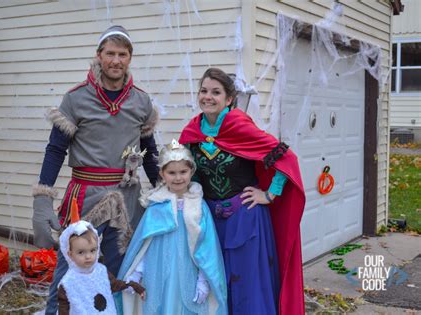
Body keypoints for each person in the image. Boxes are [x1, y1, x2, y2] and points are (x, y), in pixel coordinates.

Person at [31, 25, 159, 314]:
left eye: (122, 54)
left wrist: (163, 189)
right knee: (70, 268)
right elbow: (55, 150)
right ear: (99, 55)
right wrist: (42, 198)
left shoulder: (141, 101)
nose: (116, 60)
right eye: (110, 53)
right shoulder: (76, 98)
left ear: (129, 58)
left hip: (126, 195)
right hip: (86, 194)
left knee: (116, 270)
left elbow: (150, 153)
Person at [179, 68, 306, 315]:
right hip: (210, 224)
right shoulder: (192, 132)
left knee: (248, 288)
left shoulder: (240, 126)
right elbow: (187, 172)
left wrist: (269, 195)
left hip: (246, 220)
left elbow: (286, 158)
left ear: (228, 99)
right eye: (204, 91)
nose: (208, 97)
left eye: (216, 92)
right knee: (216, 284)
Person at [116, 140, 228, 315]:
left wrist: (204, 280)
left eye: (183, 172)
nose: (178, 178)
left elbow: (207, 249)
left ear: (191, 171)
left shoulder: (199, 206)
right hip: (159, 273)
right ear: (162, 173)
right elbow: (146, 245)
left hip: (188, 273)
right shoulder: (156, 205)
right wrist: (137, 273)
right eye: (172, 172)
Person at [58, 217, 145, 314]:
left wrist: (133, 286)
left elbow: (115, 285)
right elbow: (63, 308)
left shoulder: (101, 271)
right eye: (81, 252)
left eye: (92, 250)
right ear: (70, 254)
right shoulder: (68, 283)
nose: (88, 256)